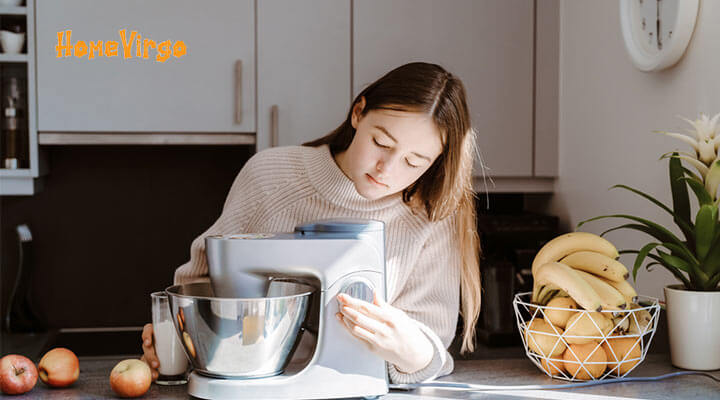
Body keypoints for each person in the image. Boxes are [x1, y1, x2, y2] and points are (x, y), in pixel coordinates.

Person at [140, 62, 481, 384]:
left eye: (414, 161)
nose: (387, 170)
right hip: (254, 382)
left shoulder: (433, 214)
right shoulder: (271, 176)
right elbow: (201, 282)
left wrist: (408, 349)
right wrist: (175, 334)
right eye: (381, 143)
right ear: (358, 112)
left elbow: (431, 349)